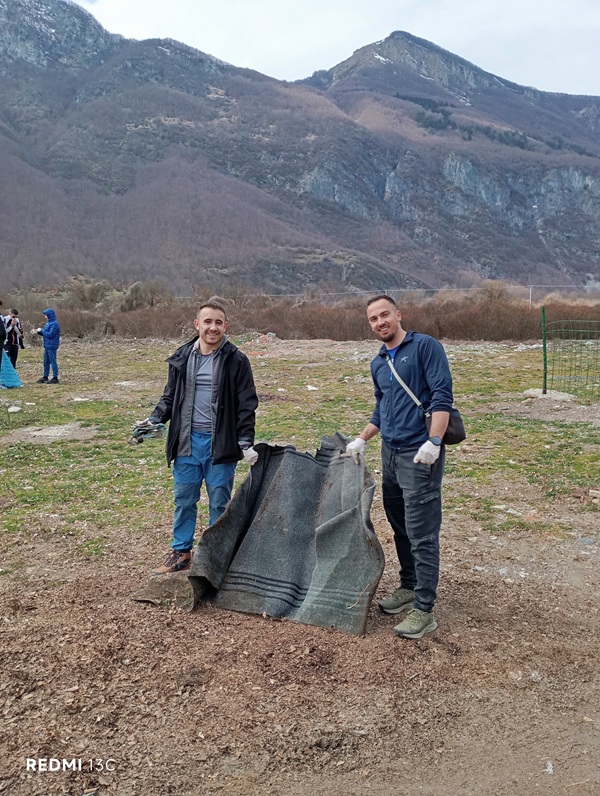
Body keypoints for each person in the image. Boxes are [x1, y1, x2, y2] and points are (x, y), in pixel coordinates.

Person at [346, 295, 454, 639]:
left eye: (385, 315)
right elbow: (382, 407)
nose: (380, 322)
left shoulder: (425, 347)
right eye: (373, 319)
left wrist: (434, 441)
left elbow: (442, 396)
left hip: (419, 454)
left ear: (398, 315)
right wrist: (362, 438)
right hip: (390, 455)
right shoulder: (378, 362)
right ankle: (408, 586)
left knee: (422, 533)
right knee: (400, 526)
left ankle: (424, 608)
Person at [142, 300, 259, 575]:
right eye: (207, 321)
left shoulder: (236, 360)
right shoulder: (182, 357)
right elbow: (170, 396)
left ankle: (215, 557)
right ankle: (181, 552)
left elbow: (246, 403)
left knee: (219, 502)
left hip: (221, 445)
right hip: (186, 442)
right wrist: (154, 419)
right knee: (184, 499)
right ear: (197, 325)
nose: (212, 327)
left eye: (218, 322)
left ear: (226, 326)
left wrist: (246, 441)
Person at [32, 308, 61, 383]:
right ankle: (45, 376)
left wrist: (41, 330)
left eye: (46, 315)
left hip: (52, 345)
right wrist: (37, 331)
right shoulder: (49, 323)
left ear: (49, 315)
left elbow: (50, 335)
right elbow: (45, 333)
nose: (45, 317)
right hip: (47, 345)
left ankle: (55, 377)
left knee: (53, 361)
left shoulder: (54, 324)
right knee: (46, 361)